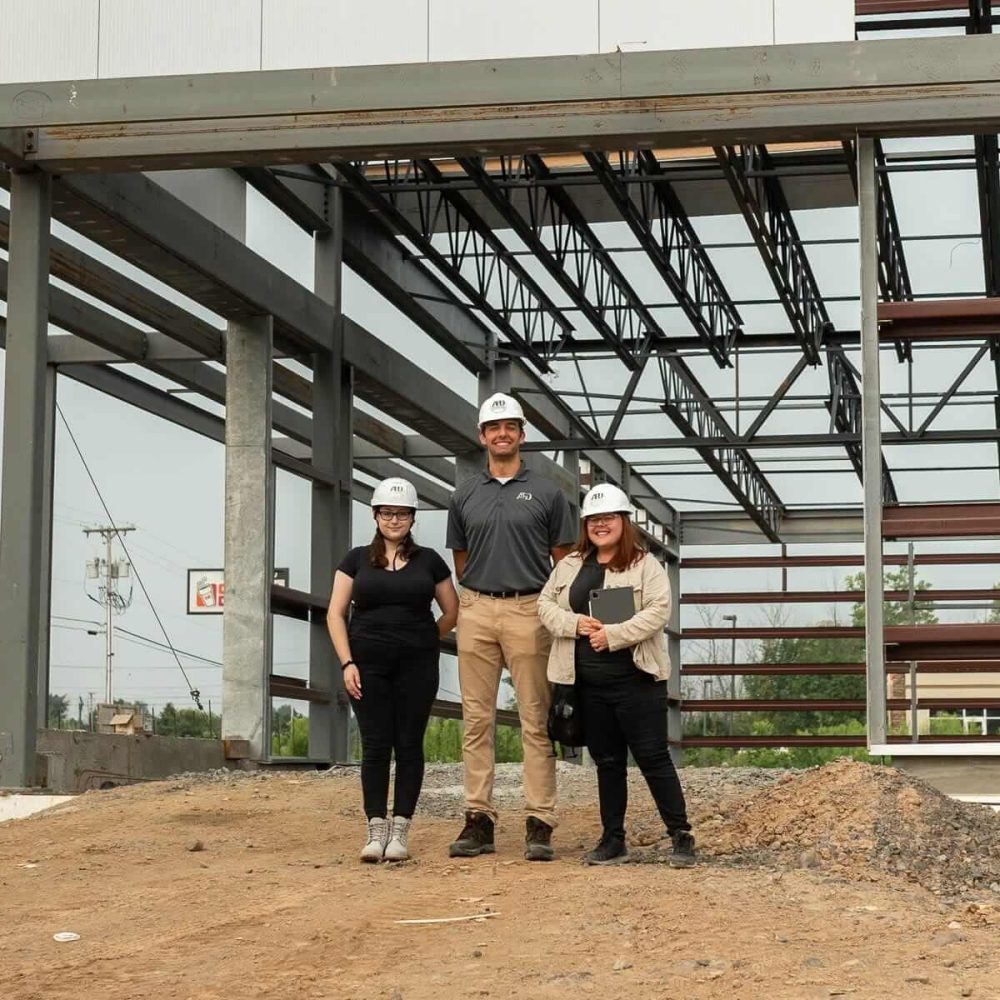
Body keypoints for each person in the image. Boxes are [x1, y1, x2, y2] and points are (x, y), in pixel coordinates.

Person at [446, 392, 577, 861]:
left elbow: (564, 564)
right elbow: (461, 562)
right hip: (476, 608)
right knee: (475, 721)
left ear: (522, 435)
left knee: (535, 720)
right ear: (482, 437)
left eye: (511, 427)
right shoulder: (463, 495)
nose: (503, 434)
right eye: (493, 427)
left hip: (529, 609)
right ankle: (478, 819)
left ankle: (539, 821)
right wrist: (479, 597)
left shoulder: (547, 494)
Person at [537, 483, 696, 868]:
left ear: (623, 522)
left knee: (653, 757)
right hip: (587, 683)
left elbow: (659, 611)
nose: (600, 525)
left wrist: (614, 635)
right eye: (593, 519)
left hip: (637, 681)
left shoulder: (646, 565)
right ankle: (613, 839)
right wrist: (574, 624)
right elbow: (544, 605)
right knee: (607, 762)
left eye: (608, 518)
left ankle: (681, 834)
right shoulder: (570, 565)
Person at [327, 476, 458, 863]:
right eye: (387, 512)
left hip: (417, 665)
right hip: (368, 664)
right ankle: (375, 827)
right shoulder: (355, 560)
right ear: (375, 515)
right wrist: (347, 662)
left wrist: (425, 636)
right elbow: (335, 614)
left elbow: (452, 611)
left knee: (409, 743)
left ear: (413, 518)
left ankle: (400, 828)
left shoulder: (430, 561)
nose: (394, 520)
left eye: (402, 514)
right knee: (375, 744)